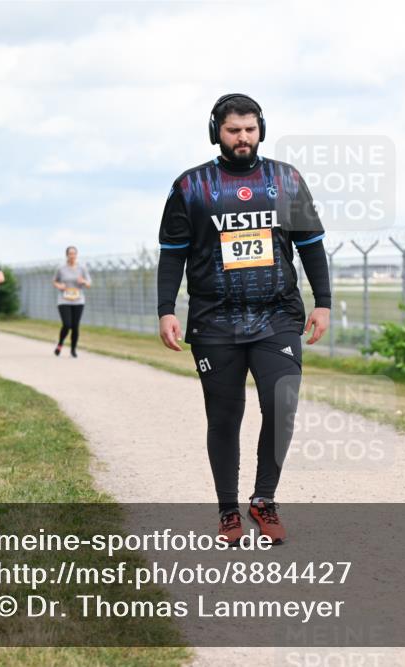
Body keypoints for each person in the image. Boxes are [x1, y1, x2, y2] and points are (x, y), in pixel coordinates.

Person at [156, 93, 331, 545]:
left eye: (250, 129)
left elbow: (311, 245)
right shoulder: (191, 187)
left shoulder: (286, 180)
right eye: (234, 130)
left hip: (277, 316)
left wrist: (324, 302)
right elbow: (172, 256)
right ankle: (228, 510)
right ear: (217, 131)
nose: (243, 138)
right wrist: (165, 311)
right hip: (215, 321)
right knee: (224, 416)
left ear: (261, 129)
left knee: (281, 406)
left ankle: (264, 500)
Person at [52, 246, 92, 358]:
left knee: (75, 326)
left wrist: (83, 281)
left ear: (76, 255)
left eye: (74, 253)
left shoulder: (82, 268)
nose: (72, 256)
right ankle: (60, 343)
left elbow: (89, 284)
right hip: (63, 300)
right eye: (70, 253)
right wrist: (60, 285)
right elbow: (54, 281)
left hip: (78, 300)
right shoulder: (61, 268)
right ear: (67, 255)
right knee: (67, 324)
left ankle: (73, 350)